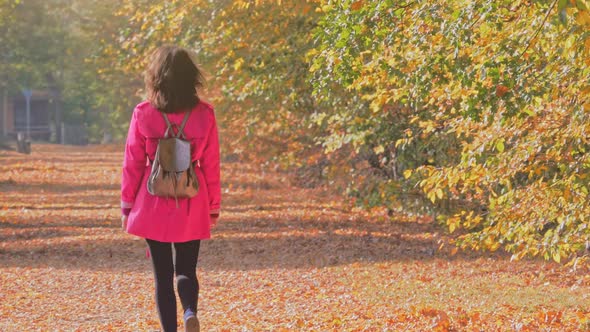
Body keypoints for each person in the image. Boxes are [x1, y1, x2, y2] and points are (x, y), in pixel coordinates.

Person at [120, 45, 221, 332]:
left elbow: (133, 162)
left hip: (153, 202)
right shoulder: (205, 114)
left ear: (157, 77)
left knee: (162, 276)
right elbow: (211, 163)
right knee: (186, 270)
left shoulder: (143, 113)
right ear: (191, 77)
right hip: (192, 200)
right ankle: (190, 311)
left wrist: (127, 205)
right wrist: (213, 205)